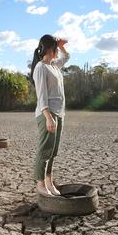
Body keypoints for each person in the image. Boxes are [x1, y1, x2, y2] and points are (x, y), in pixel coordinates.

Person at [30, 34, 69, 196]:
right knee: (45, 149)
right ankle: (40, 184)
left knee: (53, 151)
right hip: (48, 113)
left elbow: (67, 57)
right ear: (49, 49)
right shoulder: (41, 67)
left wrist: (61, 45)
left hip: (59, 113)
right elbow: (41, 95)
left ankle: (49, 182)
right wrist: (48, 116)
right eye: (56, 49)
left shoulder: (54, 65)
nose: (58, 53)